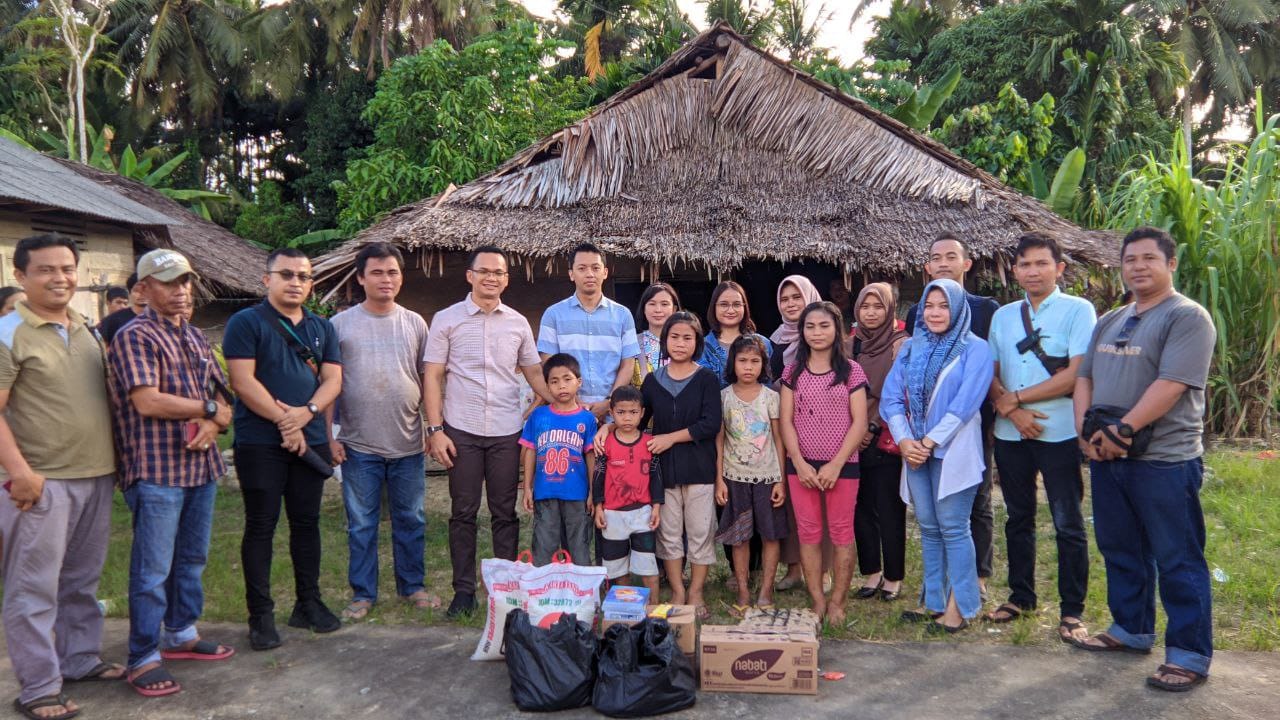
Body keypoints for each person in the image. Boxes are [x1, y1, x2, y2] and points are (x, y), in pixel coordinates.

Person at [1071, 227, 1217, 693]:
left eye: (1149, 258)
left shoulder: (1187, 318)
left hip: (1165, 460)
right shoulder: (1109, 320)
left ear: (1171, 264)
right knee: (1120, 549)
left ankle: (1189, 653)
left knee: (1178, 557)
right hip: (1107, 459)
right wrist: (1086, 435)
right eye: (1130, 259)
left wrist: (1122, 431)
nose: (1138, 266)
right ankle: (1131, 629)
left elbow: (1172, 383)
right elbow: (1084, 380)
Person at [0, 234, 123, 720]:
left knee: (81, 581)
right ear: (20, 276)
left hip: (96, 475)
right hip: (41, 483)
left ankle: (80, 659)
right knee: (33, 588)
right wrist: (19, 473)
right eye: (46, 270)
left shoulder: (87, 328)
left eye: (68, 268)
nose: (60, 278)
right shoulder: (8, 333)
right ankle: (38, 688)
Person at [108, 249, 236, 697]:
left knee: (192, 559)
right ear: (142, 289)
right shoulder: (135, 336)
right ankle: (142, 657)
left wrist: (213, 419)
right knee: (152, 570)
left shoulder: (197, 337)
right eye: (169, 282)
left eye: (185, 282)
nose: (181, 291)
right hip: (156, 469)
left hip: (200, 465)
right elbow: (148, 400)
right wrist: (208, 410)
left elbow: (224, 399)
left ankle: (181, 632)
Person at [224, 248, 343, 650]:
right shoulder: (246, 323)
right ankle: (260, 615)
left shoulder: (321, 328)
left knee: (306, 524)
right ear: (267, 279)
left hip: (308, 440)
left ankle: (308, 602)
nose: (296, 283)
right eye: (287, 274)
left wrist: (305, 414)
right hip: (261, 442)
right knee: (261, 525)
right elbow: (243, 381)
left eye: (304, 277)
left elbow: (332, 381)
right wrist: (282, 421)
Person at [424, 246, 551, 618]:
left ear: (506, 279)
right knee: (463, 512)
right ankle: (463, 592)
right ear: (470, 275)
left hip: (506, 431)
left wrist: (565, 404)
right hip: (460, 429)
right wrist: (435, 430)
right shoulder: (446, 320)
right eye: (484, 271)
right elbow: (432, 375)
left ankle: (506, 589)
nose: (491, 278)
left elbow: (533, 374)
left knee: (504, 513)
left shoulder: (518, 323)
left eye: (499, 272)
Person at [985, 233, 1096, 642]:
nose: (1033, 271)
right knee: (1018, 518)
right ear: (1014, 271)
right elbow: (990, 373)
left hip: (1061, 430)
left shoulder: (1078, 310)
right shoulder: (1003, 316)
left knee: (1067, 522)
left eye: (1042, 263)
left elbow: (1076, 374)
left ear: (1059, 268)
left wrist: (1017, 398)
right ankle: (1020, 596)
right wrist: (1013, 410)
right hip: (1011, 432)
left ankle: (1071, 610)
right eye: (1025, 264)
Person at [329, 242, 433, 621]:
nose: (386, 279)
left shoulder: (415, 323)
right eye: (377, 272)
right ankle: (363, 593)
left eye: (392, 272)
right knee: (361, 523)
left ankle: (413, 586)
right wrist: (328, 436)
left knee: (411, 519)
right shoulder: (339, 325)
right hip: (358, 443)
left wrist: (431, 426)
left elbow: (428, 378)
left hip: (406, 439)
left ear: (401, 277)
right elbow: (327, 384)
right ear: (361, 278)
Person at [883, 279, 994, 634]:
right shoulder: (911, 348)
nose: (934, 312)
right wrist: (905, 441)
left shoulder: (974, 349)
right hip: (914, 453)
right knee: (929, 528)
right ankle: (934, 601)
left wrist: (928, 442)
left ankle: (960, 607)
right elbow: (890, 398)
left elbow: (966, 403)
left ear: (959, 308)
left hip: (951, 451)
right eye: (929, 305)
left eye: (943, 305)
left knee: (954, 527)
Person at [903, 233, 999, 600]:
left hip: (972, 422)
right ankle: (939, 588)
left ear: (966, 263)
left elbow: (990, 370)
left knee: (976, 500)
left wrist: (993, 417)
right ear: (927, 267)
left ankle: (977, 578)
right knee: (933, 516)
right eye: (936, 258)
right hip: (923, 428)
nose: (943, 263)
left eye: (950, 256)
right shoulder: (917, 314)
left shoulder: (985, 309)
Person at [780, 301, 869, 626]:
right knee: (808, 532)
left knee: (842, 533)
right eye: (810, 326)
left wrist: (835, 464)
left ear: (837, 329)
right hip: (801, 466)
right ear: (802, 332)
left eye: (824, 326)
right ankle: (817, 598)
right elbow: (786, 422)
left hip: (842, 465)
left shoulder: (852, 371)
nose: (817, 333)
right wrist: (799, 462)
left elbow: (859, 423)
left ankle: (838, 602)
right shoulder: (793, 372)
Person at [632, 311, 721, 619]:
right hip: (664, 471)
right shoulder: (652, 382)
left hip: (699, 468)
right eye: (674, 337)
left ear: (696, 342)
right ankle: (678, 588)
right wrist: (608, 428)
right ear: (664, 340)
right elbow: (636, 420)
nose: (680, 343)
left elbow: (710, 425)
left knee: (700, 531)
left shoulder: (707, 379)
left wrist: (670, 438)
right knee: (668, 533)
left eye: (687, 337)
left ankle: (695, 591)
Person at [715, 336, 787, 616]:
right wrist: (719, 479)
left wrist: (780, 478)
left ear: (763, 364)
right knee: (740, 537)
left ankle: (766, 589)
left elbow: (779, 440)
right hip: (735, 478)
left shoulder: (771, 397)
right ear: (733, 362)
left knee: (770, 536)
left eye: (755, 361)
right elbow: (719, 441)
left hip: (767, 478)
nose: (748, 367)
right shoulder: (724, 397)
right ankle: (744, 590)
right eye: (742, 360)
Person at [850, 283, 910, 602]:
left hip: (884, 434)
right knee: (860, 509)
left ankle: (894, 576)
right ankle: (871, 571)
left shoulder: (900, 345)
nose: (871, 313)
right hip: (852, 437)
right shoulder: (851, 345)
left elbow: (899, 393)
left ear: (889, 310)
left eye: (878, 307)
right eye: (865, 307)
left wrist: (871, 427)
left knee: (889, 508)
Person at [538, 243, 639, 418]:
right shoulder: (553, 315)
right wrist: (574, 402)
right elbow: (548, 362)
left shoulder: (623, 315)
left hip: (613, 415)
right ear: (571, 274)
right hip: (567, 411)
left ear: (605, 272)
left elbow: (627, 364)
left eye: (595, 268)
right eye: (582, 268)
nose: (590, 274)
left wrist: (609, 402)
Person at [768, 275, 824, 592]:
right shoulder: (774, 340)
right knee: (789, 500)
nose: (791, 304)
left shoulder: (823, 336)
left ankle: (822, 568)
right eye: (785, 298)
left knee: (821, 500)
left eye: (796, 298)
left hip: (820, 427)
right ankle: (794, 569)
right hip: (785, 425)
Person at [521, 353, 598, 565]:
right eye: (554, 381)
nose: (561, 386)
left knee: (578, 546)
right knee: (544, 545)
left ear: (578, 382)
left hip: (577, 494)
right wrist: (527, 487)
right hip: (545, 492)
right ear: (546, 385)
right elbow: (530, 452)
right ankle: (543, 591)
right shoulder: (539, 416)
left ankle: (583, 594)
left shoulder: (586, 419)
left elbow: (590, 456)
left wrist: (593, 491)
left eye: (567, 379)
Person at [593, 386, 663, 597]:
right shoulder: (605, 444)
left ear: (642, 413)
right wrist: (598, 506)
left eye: (633, 412)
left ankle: (653, 612)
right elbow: (598, 476)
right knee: (619, 570)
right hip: (613, 514)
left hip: (642, 512)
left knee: (648, 568)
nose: (627, 418)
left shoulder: (650, 443)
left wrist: (657, 506)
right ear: (612, 413)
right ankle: (624, 613)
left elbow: (656, 476)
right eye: (621, 412)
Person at [699, 280, 772, 389]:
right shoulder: (703, 347)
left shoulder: (763, 343)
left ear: (744, 307)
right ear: (714, 307)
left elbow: (767, 383)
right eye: (724, 304)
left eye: (737, 304)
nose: (731, 310)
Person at [635, 283, 680, 383]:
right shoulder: (632, 342)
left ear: (674, 309)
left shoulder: (684, 342)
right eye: (652, 304)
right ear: (644, 309)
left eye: (664, 304)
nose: (658, 310)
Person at [98, 272, 148, 345]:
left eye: (145, 290)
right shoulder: (110, 322)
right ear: (130, 293)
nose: (142, 294)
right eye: (137, 291)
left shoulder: (162, 318)